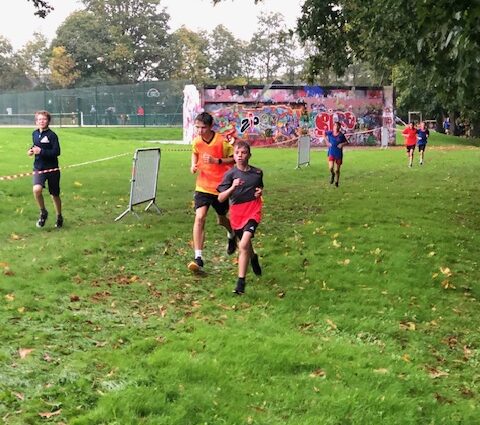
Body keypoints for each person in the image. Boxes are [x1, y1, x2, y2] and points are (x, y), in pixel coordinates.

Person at [187, 111, 237, 273]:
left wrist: (217, 161)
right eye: (197, 127)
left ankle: (231, 233)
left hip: (220, 187)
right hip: (202, 186)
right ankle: (198, 258)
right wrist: (193, 165)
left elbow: (235, 158)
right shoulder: (196, 141)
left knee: (222, 219)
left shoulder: (222, 141)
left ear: (210, 127)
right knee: (200, 217)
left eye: (203, 127)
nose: (199, 130)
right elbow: (195, 153)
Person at [217, 141, 263, 295]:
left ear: (249, 155)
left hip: (253, 211)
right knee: (246, 245)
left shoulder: (257, 173)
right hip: (237, 214)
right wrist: (232, 187)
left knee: (243, 244)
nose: (240, 156)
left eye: (243, 153)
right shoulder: (230, 175)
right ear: (234, 156)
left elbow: (259, 187)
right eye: (237, 153)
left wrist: (259, 193)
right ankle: (253, 258)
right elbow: (220, 198)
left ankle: (240, 284)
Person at [27, 111, 63, 228]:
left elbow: (57, 152)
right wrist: (31, 150)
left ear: (48, 121)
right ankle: (43, 212)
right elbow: (35, 145)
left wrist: (41, 151)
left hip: (52, 169)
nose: (41, 121)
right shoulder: (34, 133)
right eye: (39, 119)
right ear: (36, 122)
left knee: (54, 194)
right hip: (39, 168)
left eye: (44, 119)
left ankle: (59, 216)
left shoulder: (52, 135)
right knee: (36, 190)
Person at [325, 121, 349, 187]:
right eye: (335, 125)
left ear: (339, 127)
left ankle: (336, 182)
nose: (336, 127)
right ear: (333, 126)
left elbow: (347, 142)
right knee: (331, 167)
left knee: (337, 170)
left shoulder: (341, 135)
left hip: (338, 153)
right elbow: (323, 134)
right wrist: (327, 142)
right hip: (331, 152)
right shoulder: (330, 133)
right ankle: (332, 174)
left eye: (338, 126)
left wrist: (342, 144)